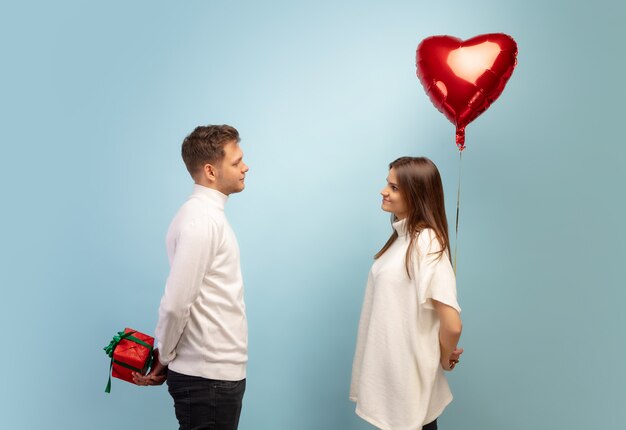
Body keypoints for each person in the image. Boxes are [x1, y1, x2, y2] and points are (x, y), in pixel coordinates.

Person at [133, 124, 250, 430]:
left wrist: (166, 355)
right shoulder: (201, 221)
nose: (245, 167)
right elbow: (176, 303)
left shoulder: (207, 217)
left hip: (215, 376)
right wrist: (165, 355)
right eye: (236, 162)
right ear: (211, 171)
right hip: (207, 378)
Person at [350, 156, 463, 430]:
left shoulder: (427, 242)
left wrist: (445, 357)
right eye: (387, 184)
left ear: (417, 195)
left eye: (395, 187)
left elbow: (452, 324)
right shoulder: (403, 240)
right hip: (395, 390)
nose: (384, 191)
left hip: (409, 393)